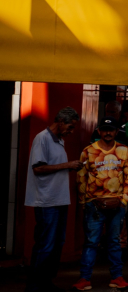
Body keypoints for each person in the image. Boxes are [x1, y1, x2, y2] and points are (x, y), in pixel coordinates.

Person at [24, 107, 81, 292]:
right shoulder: (43, 138)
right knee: (45, 244)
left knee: (57, 244)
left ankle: (46, 282)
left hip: (59, 200)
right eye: (70, 127)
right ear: (61, 122)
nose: (71, 131)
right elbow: (38, 168)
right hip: (46, 201)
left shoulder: (59, 141)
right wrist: (67, 165)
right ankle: (34, 285)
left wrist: (68, 167)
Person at [73, 118, 128, 291]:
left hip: (117, 206)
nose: (108, 133)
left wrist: (123, 201)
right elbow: (81, 178)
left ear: (116, 132)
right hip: (94, 205)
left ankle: (117, 277)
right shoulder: (88, 152)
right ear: (99, 131)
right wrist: (84, 202)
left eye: (111, 130)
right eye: (104, 129)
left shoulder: (124, 151)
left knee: (114, 241)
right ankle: (84, 279)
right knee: (91, 242)